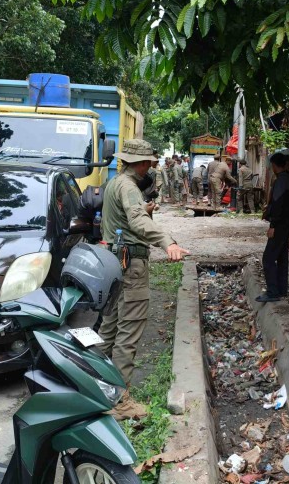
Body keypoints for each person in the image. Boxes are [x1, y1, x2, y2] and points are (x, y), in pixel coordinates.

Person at [98, 139, 189, 419]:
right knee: (128, 330)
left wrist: (145, 212)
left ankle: (96, 389)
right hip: (131, 264)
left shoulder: (115, 183)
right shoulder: (128, 186)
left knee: (108, 330)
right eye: (149, 162)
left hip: (114, 261)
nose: (150, 166)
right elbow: (136, 222)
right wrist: (167, 242)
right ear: (140, 163)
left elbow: (127, 219)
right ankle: (120, 403)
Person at [257, 153, 289, 303]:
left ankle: (273, 291)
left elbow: (278, 204)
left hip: (280, 224)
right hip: (288, 223)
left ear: (274, 165)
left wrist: (273, 225)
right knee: (281, 257)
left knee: (268, 258)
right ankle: (281, 289)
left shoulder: (281, 181)